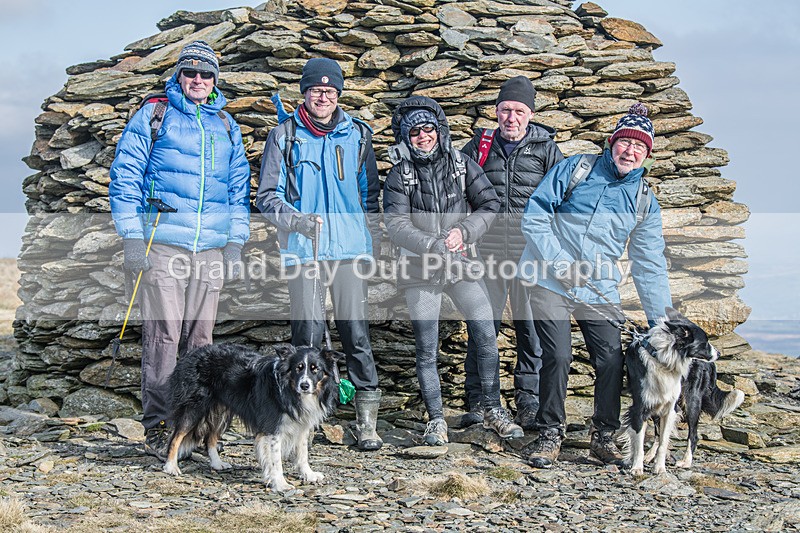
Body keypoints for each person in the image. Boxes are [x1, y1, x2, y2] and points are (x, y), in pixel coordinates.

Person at [109, 40, 251, 458]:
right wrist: (133, 237)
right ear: (179, 75)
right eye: (191, 72)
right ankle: (157, 427)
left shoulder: (226, 125)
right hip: (163, 242)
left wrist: (235, 243)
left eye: (207, 74)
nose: (198, 80)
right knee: (163, 335)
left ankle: (191, 428)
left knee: (201, 342)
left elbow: (239, 191)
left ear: (215, 81)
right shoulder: (154, 115)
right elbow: (125, 177)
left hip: (209, 249)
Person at [518, 103, 672, 468]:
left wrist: (660, 324)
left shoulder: (644, 201)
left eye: (639, 147)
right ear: (611, 142)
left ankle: (602, 435)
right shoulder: (577, 168)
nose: (629, 152)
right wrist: (560, 263)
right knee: (556, 355)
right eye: (624, 143)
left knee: (611, 358)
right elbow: (535, 215)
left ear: (646, 154)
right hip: (547, 278)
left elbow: (649, 265)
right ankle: (550, 433)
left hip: (598, 287)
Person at [256, 58, 384, 451]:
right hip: (303, 251)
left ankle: (367, 424)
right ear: (305, 93)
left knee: (356, 334)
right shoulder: (284, 135)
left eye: (330, 91)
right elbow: (266, 196)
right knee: (306, 338)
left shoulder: (358, 135)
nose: (323, 96)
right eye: (316, 90)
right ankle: (300, 421)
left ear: (338, 95)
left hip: (349, 252)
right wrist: (296, 221)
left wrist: (370, 243)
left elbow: (369, 196)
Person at [383, 95, 524, 446]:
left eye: (429, 129)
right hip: (420, 269)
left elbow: (489, 204)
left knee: (486, 333)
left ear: (440, 130)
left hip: (462, 264)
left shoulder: (461, 164)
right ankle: (436, 420)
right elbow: (396, 224)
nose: (423, 136)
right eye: (414, 132)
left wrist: (465, 231)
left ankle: (492, 408)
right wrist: (432, 244)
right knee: (426, 346)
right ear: (406, 137)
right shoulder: (400, 175)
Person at [460, 76, 564, 429]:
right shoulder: (477, 147)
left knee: (530, 330)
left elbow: (562, 202)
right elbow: (457, 193)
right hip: (485, 254)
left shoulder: (547, 150)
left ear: (530, 114)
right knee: (482, 328)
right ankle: (478, 400)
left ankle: (528, 403)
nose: (511, 117)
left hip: (531, 256)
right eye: (505, 110)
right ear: (496, 111)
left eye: (519, 111)